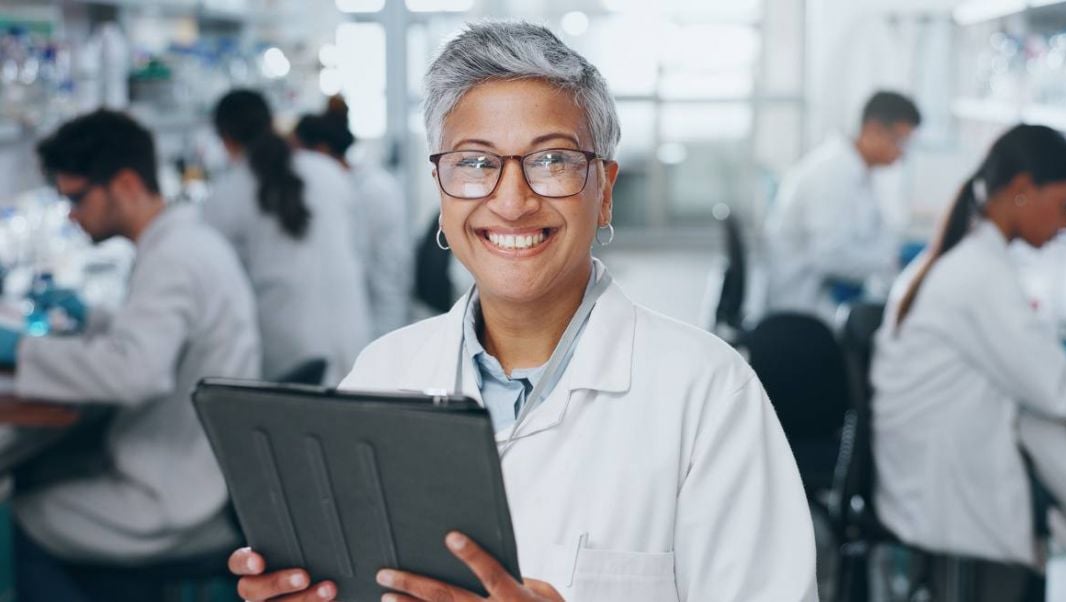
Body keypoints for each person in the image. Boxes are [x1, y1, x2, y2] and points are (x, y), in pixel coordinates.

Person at [228, 21, 817, 602]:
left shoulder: (709, 393)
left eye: (552, 160)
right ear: (439, 188)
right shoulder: (383, 375)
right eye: (476, 163)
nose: (511, 202)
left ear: (604, 189)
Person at [0, 110, 260, 601]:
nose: (71, 215)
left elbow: (135, 372)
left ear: (122, 183)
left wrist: (24, 348)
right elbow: (157, 338)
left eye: (77, 198)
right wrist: (93, 318)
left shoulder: (175, 257)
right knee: (44, 472)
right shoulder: (186, 241)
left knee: (22, 514)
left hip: (180, 496)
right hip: (201, 472)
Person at [872, 124, 1066, 599]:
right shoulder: (978, 275)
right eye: (1064, 206)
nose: (1065, 225)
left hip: (927, 483)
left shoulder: (968, 256)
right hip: (950, 503)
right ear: (1021, 190)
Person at [206, 90, 370, 384]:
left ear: (226, 140)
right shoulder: (328, 172)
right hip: (353, 338)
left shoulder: (224, 197)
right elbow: (356, 250)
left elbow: (222, 291)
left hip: (287, 356)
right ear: (272, 123)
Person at [764, 90, 921, 321]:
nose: (902, 153)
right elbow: (829, 256)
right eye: (899, 141)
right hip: (804, 306)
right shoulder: (832, 175)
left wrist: (891, 255)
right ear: (873, 129)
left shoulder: (859, 172)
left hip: (828, 293)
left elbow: (867, 235)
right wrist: (891, 261)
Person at [294, 104, 413, 338]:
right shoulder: (339, 189)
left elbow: (387, 279)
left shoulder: (373, 191)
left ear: (320, 150)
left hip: (382, 326)